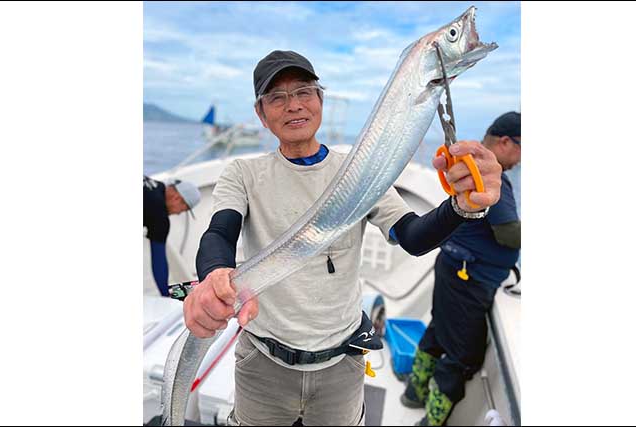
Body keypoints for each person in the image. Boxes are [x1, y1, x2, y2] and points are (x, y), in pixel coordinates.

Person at [185, 50, 503, 426]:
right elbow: (220, 230)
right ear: (261, 114)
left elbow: (413, 236)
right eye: (277, 97)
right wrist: (214, 275)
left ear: (320, 100)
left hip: (341, 365)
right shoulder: (244, 173)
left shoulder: (360, 171)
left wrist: (460, 207)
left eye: (304, 92)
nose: (293, 106)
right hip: (262, 363)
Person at [400, 112, 521, 426]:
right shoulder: (495, 182)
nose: (522, 160)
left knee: (439, 331)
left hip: (455, 268)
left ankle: (414, 392)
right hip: (469, 278)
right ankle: (431, 421)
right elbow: (507, 233)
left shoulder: (472, 169)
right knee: (463, 357)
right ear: (506, 142)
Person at [143, 176, 202, 296]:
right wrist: (166, 295)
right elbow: (158, 260)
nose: (178, 213)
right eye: (183, 209)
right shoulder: (160, 214)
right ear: (177, 198)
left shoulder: (155, 185)